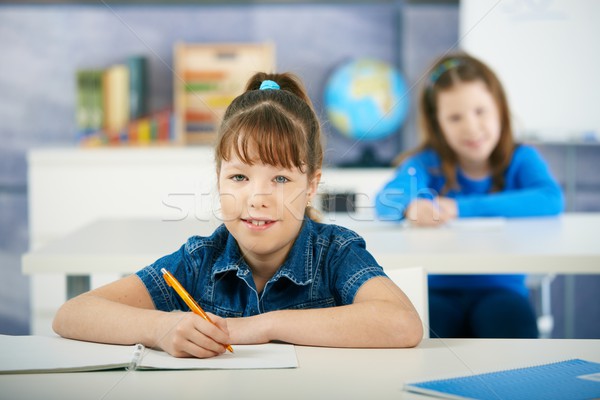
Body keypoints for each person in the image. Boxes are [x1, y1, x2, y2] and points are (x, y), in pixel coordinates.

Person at [53, 72, 423, 358]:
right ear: (218, 179)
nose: (256, 197)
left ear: (311, 185)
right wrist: (161, 328)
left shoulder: (336, 252)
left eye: (280, 178)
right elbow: (72, 314)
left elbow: (403, 324)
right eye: (239, 177)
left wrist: (263, 327)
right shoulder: (200, 260)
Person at [375, 53, 564, 339]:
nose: (471, 127)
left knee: (512, 337)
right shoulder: (426, 164)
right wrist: (410, 206)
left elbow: (550, 199)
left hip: (503, 290)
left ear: (500, 108)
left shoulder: (522, 159)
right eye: (455, 117)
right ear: (438, 125)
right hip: (437, 292)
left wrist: (459, 208)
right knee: (419, 343)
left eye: (481, 111)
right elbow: (385, 200)